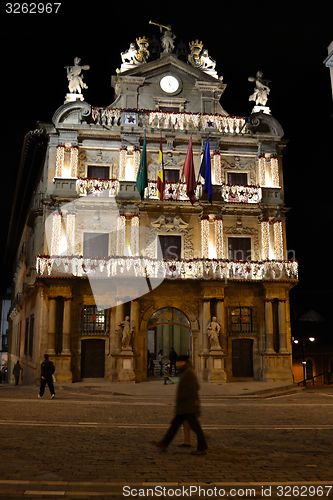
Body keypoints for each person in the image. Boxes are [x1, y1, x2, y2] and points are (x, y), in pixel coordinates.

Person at [152, 355, 208, 455]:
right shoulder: (185, 372)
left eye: (178, 362)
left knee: (194, 427)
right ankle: (164, 443)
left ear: (183, 362)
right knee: (176, 425)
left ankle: (202, 447)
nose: (176, 363)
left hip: (187, 406)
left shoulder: (189, 373)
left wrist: (186, 400)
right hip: (184, 406)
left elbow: (194, 388)